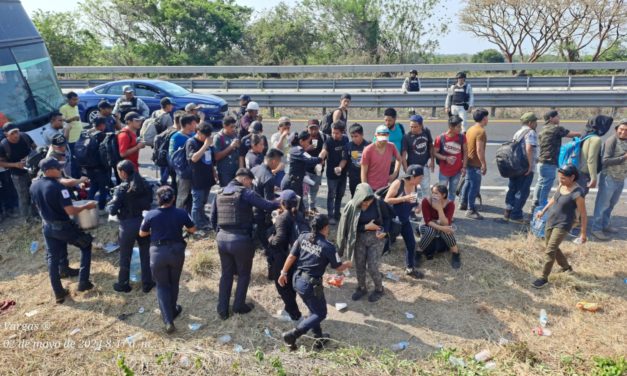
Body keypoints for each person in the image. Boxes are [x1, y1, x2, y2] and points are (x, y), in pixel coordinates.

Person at [210, 168, 280, 319]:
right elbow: (267, 205)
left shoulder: (220, 192)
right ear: (244, 178)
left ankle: (222, 308)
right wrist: (283, 201)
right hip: (240, 240)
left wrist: (220, 234)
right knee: (243, 274)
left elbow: (213, 218)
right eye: (250, 181)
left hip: (222, 239)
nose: (250, 185)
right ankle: (239, 306)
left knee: (226, 274)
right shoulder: (245, 192)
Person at [279, 214, 352, 350]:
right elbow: (338, 267)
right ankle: (293, 335)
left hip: (297, 280)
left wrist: (283, 273)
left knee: (314, 310)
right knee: (320, 313)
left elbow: (291, 256)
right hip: (310, 285)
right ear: (325, 227)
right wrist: (348, 264)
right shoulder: (328, 246)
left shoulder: (303, 236)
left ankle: (318, 338)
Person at [30, 157, 95, 303]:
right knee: (86, 244)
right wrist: (86, 206)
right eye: (57, 168)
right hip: (62, 227)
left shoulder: (34, 185)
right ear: (48, 171)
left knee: (52, 258)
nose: (60, 170)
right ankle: (83, 282)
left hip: (47, 226)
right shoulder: (58, 188)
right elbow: (71, 210)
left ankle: (58, 292)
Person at [139, 186, 196, 333]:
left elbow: (142, 233)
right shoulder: (181, 213)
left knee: (162, 285)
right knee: (174, 283)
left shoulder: (151, 214)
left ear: (157, 199)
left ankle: (168, 320)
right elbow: (193, 229)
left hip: (157, 252)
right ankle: (172, 310)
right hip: (176, 251)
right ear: (174, 198)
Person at [532, 165, 586, 289]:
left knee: (550, 250)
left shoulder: (577, 193)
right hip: (551, 220)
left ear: (572, 177)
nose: (560, 180)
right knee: (552, 247)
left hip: (563, 224)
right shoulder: (562, 185)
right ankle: (566, 268)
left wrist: (583, 233)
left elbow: (583, 215)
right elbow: (553, 199)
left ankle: (543, 277)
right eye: (559, 177)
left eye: (563, 178)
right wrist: (543, 211)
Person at [337, 183, 390, 302]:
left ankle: (379, 289)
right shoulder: (352, 206)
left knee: (372, 266)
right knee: (359, 265)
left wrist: (385, 231)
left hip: (376, 239)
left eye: (369, 202)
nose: (366, 204)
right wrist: (366, 227)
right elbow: (349, 228)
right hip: (359, 238)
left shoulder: (378, 203)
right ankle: (361, 287)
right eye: (364, 202)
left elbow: (387, 219)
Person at [107, 160, 154, 293]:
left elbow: (112, 210)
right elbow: (150, 201)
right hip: (144, 222)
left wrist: (110, 204)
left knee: (125, 256)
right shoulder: (145, 184)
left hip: (127, 225)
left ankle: (123, 284)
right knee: (146, 254)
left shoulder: (122, 189)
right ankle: (147, 283)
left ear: (122, 172)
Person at [532, 110, 580, 209]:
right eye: (557, 117)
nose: (559, 118)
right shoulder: (556, 129)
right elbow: (570, 134)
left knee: (540, 183)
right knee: (545, 187)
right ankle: (541, 207)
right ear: (551, 118)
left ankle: (534, 203)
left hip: (541, 162)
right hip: (549, 163)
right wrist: (581, 134)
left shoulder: (543, 129)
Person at [268, 190, 303, 322]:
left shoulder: (282, 218)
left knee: (282, 286)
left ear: (282, 203)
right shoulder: (299, 215)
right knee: (289, 284)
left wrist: (271, 235)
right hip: (295, 256)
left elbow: (278, 241)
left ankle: (294, 314)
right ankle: (289, 308)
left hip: (282, 256)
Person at [384, 165, 424, 278]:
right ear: (412, 177)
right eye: (420, 178)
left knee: (411, 244)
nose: (421, 180)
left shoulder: (415, 186)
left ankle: (410, 268)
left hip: (404, 220)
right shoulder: (398, 183)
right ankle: (374, 267)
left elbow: (413, 200)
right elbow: (387, 200)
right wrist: (403, 199)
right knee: (384, 246)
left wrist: (417, 206)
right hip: (392, 221)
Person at [591, 119, 627, 240]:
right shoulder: (612, 141)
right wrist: (623, 157)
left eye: (626, 130)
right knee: (602, 204)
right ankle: (596, 229)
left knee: (611, 204)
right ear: (617, 129)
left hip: (621, 178)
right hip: (609, 178)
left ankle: (605, 224)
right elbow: (605, 160)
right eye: (621, 129)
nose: (623, 132)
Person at [252, 149, 285, 275]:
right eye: (279, 161)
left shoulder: (255, 170)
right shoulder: (269, 177)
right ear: (273, 161)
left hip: (251, 208)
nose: (279, 164)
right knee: (268, 244)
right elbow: (268, 203)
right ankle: (272, 271)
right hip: (261, 214)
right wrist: (279, 202)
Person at [504, 113, 539, 224]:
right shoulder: (531, 132)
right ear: (530, 123)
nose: (536, 123)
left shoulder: (518, 132)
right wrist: (529, 166)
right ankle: (516, 215)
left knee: (513, 188)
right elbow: (529, 148)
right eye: (535, 121)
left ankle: (508, 212)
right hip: (524, 167)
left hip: (514, 166)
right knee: (523, 191)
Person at [416, 184, 461, 269]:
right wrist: (442, 228)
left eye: (436, 193)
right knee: (432, 230)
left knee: (446, 231)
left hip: (441, 225)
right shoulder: (426, 201)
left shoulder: (450, 204)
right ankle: (418, 252)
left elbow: (445, 223)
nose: (433, 195)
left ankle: (455, 253)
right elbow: (428, 221)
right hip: (426, 226)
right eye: (432, 193)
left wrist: (439, 208)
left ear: (444, 195)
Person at [0, 122, 37, 222]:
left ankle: (36, 214)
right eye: (12, 133)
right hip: (18, 175)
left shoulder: (24, 136)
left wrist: (28, 158)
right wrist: (15, 164)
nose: (16, 135)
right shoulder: (3, 145)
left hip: (33, 171)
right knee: (23, 197)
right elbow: (1, 163)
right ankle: (27, 218)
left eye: (16, 132)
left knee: (34, 192)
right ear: (6, 134)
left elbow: (35, 147)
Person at [186, 121, 217, 235]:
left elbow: (211, 160)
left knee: (204, 201)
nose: (207, 138)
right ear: (198, 132)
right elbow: (193, 158)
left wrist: (214, 172)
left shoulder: (207, 142)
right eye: (205, 135)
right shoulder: (191, 142)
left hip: (207, 177)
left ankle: (202, 220)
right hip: (197, 178)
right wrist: (205, 145)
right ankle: (195, 225)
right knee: (197, 203)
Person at [459, 108, 489, 219]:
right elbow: (479, 150)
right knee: (474, 187)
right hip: (475, 163)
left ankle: (463, 203)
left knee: (467, 183)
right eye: (487, 117)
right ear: (484, 118)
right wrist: (484, 164)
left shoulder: (471, 129)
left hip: (468, 161)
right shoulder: (481, 131)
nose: (487, 119)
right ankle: (470, 210)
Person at [282, 131, 323, 203]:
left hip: (295, 181)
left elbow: (305, 163)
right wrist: (320, 159)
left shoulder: (295, 149)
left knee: (299, 205)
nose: (309, 144)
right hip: (291, 183)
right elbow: (310, 159)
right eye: (308, 141)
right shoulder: (298, 150)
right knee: (291, 206)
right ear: (301, 141)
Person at [320, 121, 349, 224]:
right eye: (333, 132)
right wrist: (319, 160)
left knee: (340, 194)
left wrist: (341, 168)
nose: (334, 135)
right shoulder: (329, 141)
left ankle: (337, 214)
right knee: (331, 195)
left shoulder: (345, 139)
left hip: (343, 172)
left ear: (342, 132)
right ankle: (330, 216)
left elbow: (346, 156)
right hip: (331, 174)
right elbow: (324, 152)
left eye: (337, 133)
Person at [578, 115, 613, 195]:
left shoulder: (585, 135)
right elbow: (591, 160)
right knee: (579, 200)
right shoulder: (595, 139)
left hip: (577, 171)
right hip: (584, 175)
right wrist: (593, 178)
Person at [434, 115, 467, 201]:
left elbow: (465, 152)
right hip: (444, 172)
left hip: (457, 171)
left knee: (452, 192)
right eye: (458, 127)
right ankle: (440, 209)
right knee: (441, 192)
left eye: (461, 126)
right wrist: (445, 158)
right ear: (451, 127)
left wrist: (464, 167)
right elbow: (434, 153)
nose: (460, 129)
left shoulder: (462, 137)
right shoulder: (440, 138)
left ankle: (449, 209)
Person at [401, 115, 434, 199]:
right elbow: (403, 156)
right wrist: (406, 170)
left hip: (424, 166)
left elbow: (430, 146)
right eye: (411, 127)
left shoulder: (426, 132)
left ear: (421, 125)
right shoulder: (406, 137)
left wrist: (432, 161)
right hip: (412, 169)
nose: (413, 129)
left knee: (426, 189)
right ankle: (413, 208)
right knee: (412, 192)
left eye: (415, 127)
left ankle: (425, 208)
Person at [169, 114, 198, 212]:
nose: (196, 125)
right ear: (187, 125)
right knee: (182, 196)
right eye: (194, 123)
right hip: (183, 173)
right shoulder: (175, 137)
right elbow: (172, 156)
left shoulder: (194, 135)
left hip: (195, 171)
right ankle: (178, 216)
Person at [361, 125, 402, 191]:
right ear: (376, 136)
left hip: (385, 187)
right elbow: (363, 172)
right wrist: (366, 190)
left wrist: (395, 173)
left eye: (386, 135)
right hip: (371, 188)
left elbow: (399, 159)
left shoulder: (391, 146)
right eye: (381, 135)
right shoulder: (368, 150)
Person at [83, 117, 109, 212]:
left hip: (88, 167)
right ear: (102, 125)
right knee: (103, 188)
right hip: (99, 167)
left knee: (93, 186)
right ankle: (101, 208)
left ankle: (87, 206)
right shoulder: (100, 135)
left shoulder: (86, 134)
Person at [304, 119, 325, 214]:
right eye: (311, 129)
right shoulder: (303, 137)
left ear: (318, 128)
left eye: (315, 128)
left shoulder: (323, 137)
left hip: (318, 169)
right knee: (304, 190)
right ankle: (304, 209)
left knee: (314, 189)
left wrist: (323, 161)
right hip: (305, 169)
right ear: (307, 128)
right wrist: (307, 149)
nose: (313, 131)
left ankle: (312, 207)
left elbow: (326, 151)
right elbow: (296, 151)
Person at [59, 91, 83, 178]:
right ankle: (74, 176)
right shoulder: (64, 108)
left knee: (80, 157)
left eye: (77, 99)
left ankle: (79, 175)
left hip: (79, 136)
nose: (76, 101)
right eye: (74, 100)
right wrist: (73, 118)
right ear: (68, 100)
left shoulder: (76, 107)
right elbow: (62, 121)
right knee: (74, 158)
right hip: (71, 138)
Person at [343, 123, 369, 197]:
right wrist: (340, 167)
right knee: (354, 196)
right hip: (353, 177)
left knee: (365, 197)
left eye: (356, 136)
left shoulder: (368, 146)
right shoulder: (348, 146)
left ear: (362, 134)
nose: (354, 138)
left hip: (365, 177)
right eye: (352, 137)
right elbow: (345, 159)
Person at [213, 116, 240, 187]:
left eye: (235, 126)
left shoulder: (235, 134)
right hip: (225, 172)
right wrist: (231, 146)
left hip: (236, 170)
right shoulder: (218, 137)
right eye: (231, 127)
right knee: (227, 193)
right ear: (224, 126)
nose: (233, 129)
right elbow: (217, 157)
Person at [270, 117, 292, 185]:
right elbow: (277, 148)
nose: (286, 130)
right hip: (278, 167)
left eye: (288, 128)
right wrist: (282, 137)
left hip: (288, 166)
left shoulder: (290, 136)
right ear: (279, 127)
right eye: (284, 128)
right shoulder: (275, 136)